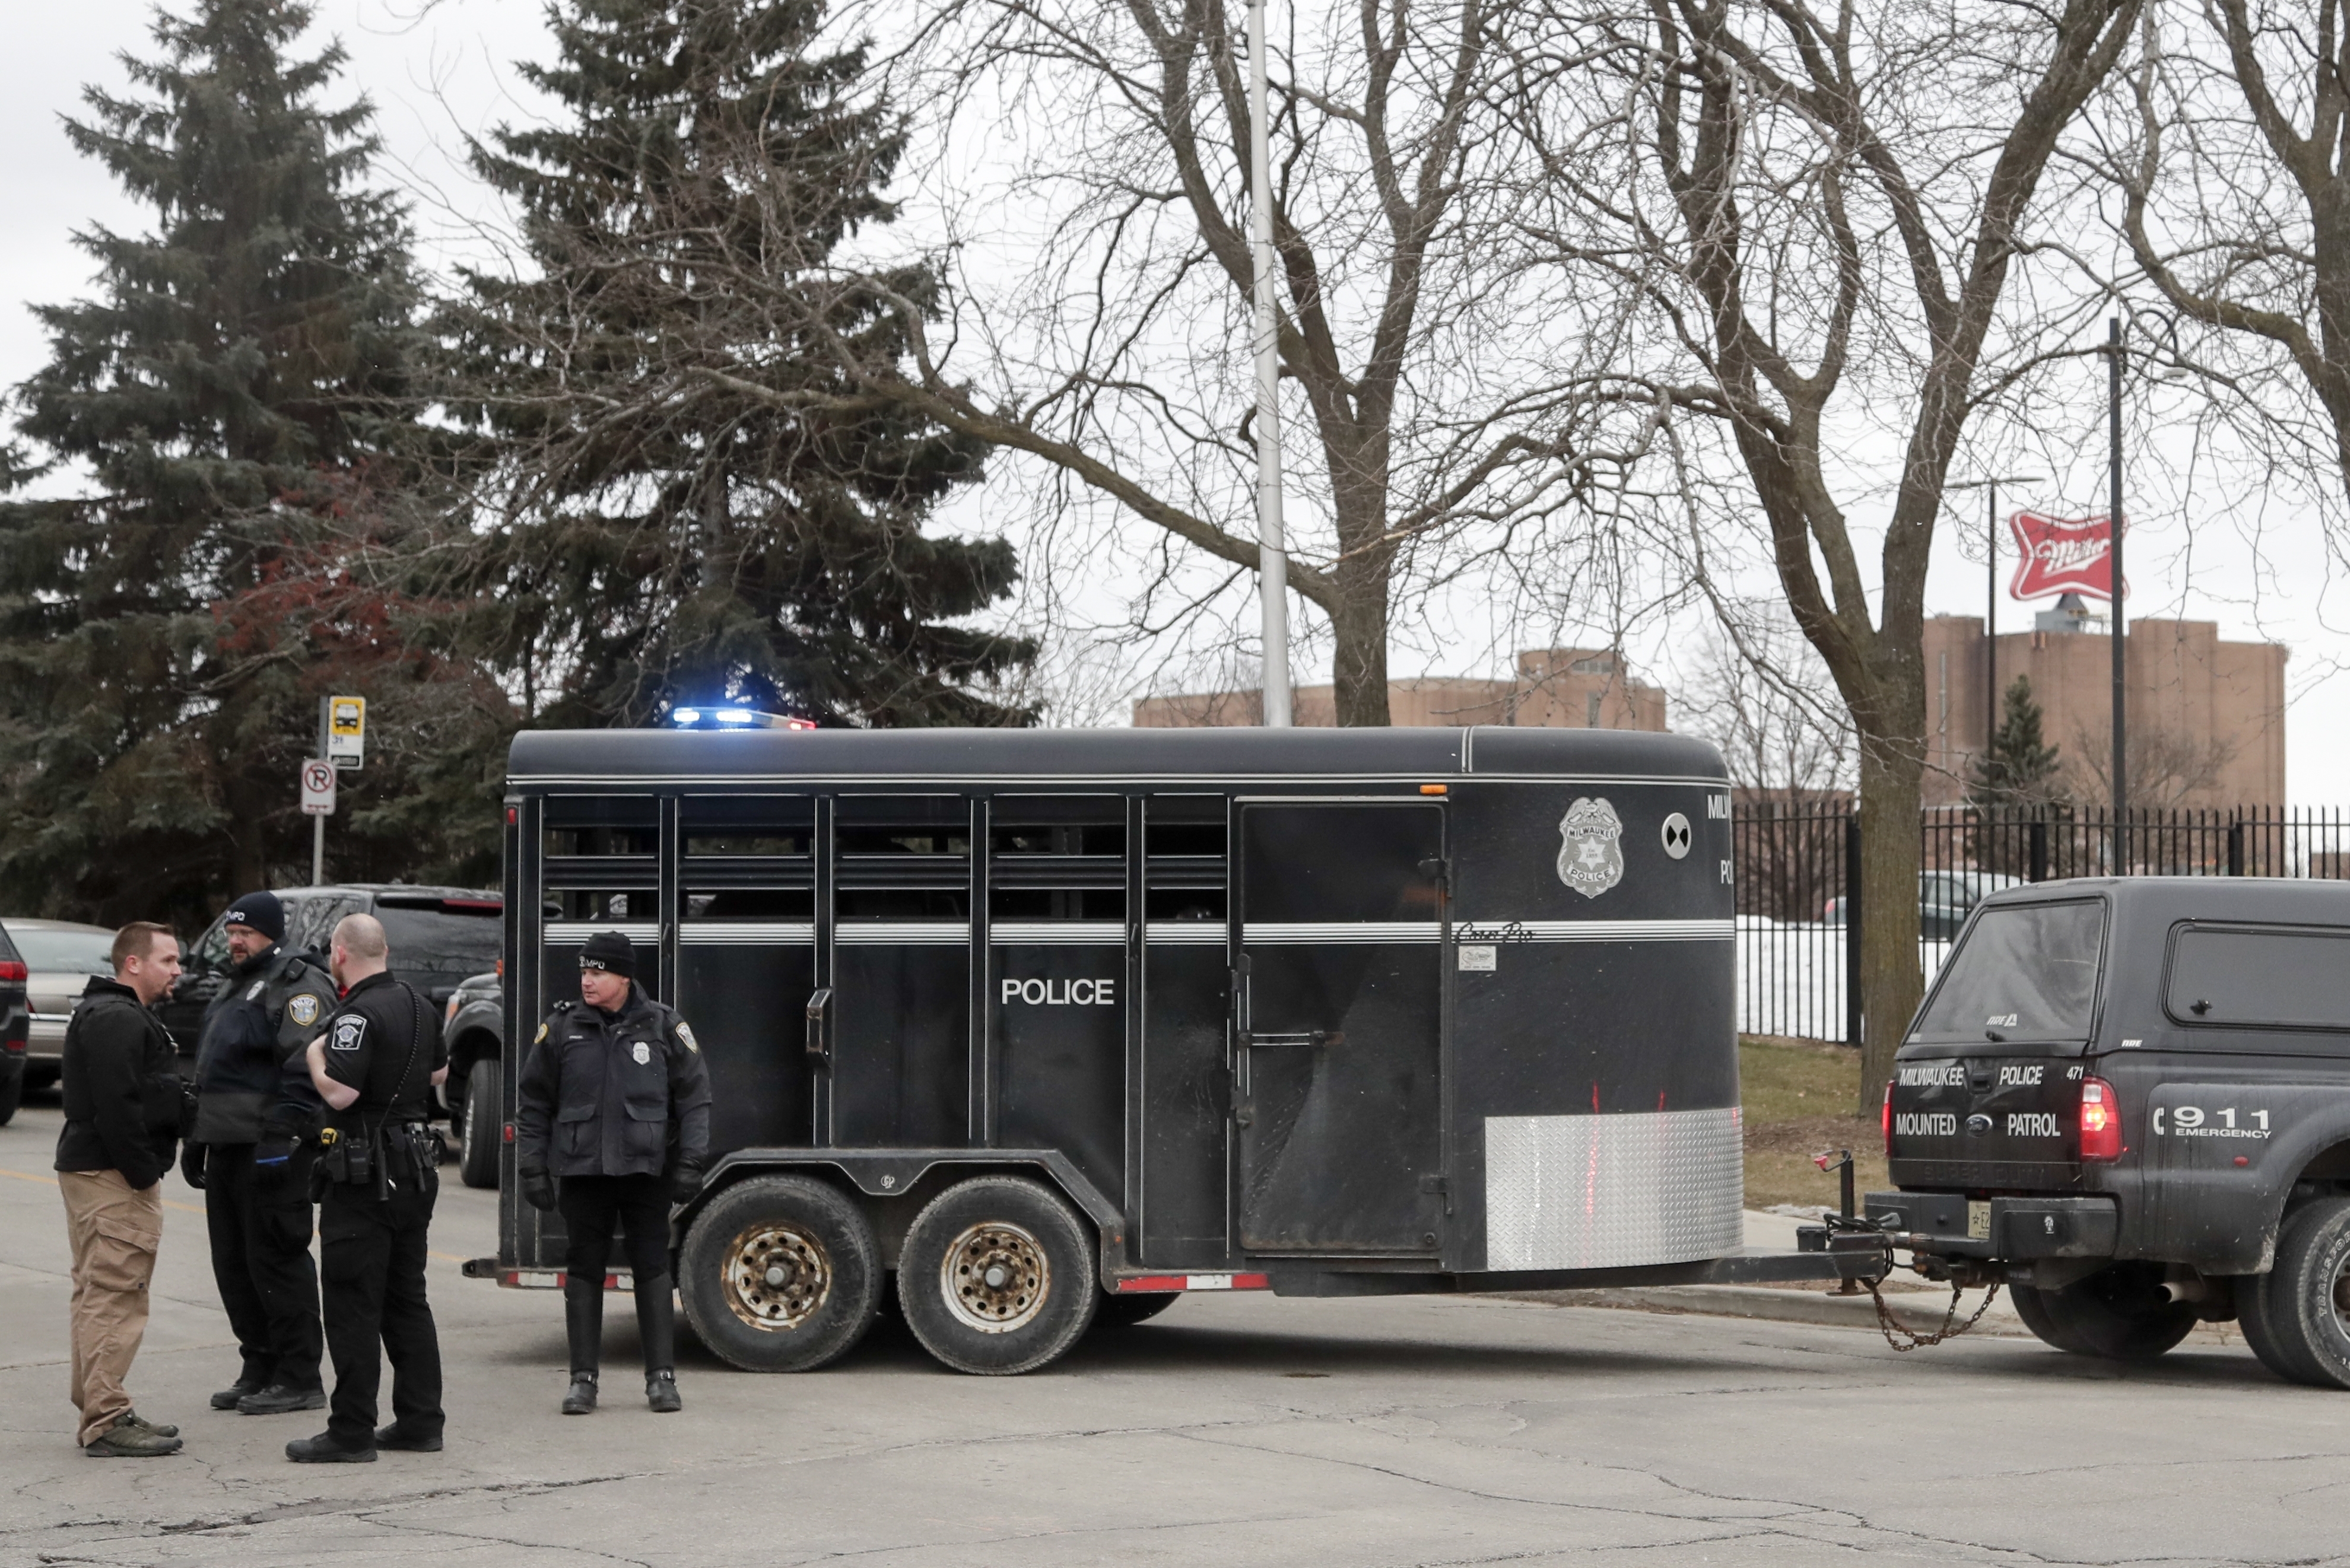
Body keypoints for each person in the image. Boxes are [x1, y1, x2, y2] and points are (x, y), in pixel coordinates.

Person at [514, 931, 710, 1416]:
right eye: (584, 971)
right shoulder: (561, 1028)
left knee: (651, 1267)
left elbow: (695, 1098)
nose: (587, 980)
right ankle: (583, 1381)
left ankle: (661, 1378)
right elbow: (534, 1102)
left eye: (597, 972)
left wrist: (691, 1162)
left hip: (646, 1170)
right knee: (584, 1270)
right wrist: (532, 1166)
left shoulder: (663, 1025)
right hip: (584, 1171)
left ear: (624, 977)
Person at [285, 913, 447, 1464]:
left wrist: (315, 1056)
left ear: (339, 953)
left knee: (352, 1302)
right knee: (406, 1298)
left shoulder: (355, 1014)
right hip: (415, 1169)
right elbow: (439, 1074)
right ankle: (421, 1420)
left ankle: (351, 1430)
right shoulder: (421, 1005)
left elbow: (341, 1094)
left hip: (365, 1177)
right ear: (385, 950)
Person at [182, 890, 335, 1417]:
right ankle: (260, 1364)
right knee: (234, 1264)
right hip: (227, 1143)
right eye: (230, 932)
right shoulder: (236, 983)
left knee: (276, 1260)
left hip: (272, 1149)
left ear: (271, 932)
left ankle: (299, 1375)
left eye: (245, 932)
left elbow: (306, 1062)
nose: (235, 940)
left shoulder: (298, 983)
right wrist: (198, 1135)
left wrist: (282, 1136)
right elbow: (214, 1066)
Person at [55, 922, 188, 1457]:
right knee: (115, 1292)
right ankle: (106, 1419)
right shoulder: (116, 1016)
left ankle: (101, 1402)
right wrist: (143, 1173)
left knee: (98, 1290)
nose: (178, 970)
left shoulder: (115, 1012)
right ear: (133, 963)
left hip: (97, 1170)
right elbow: (118, 1106)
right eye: (168, 960)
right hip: (111, 1175)